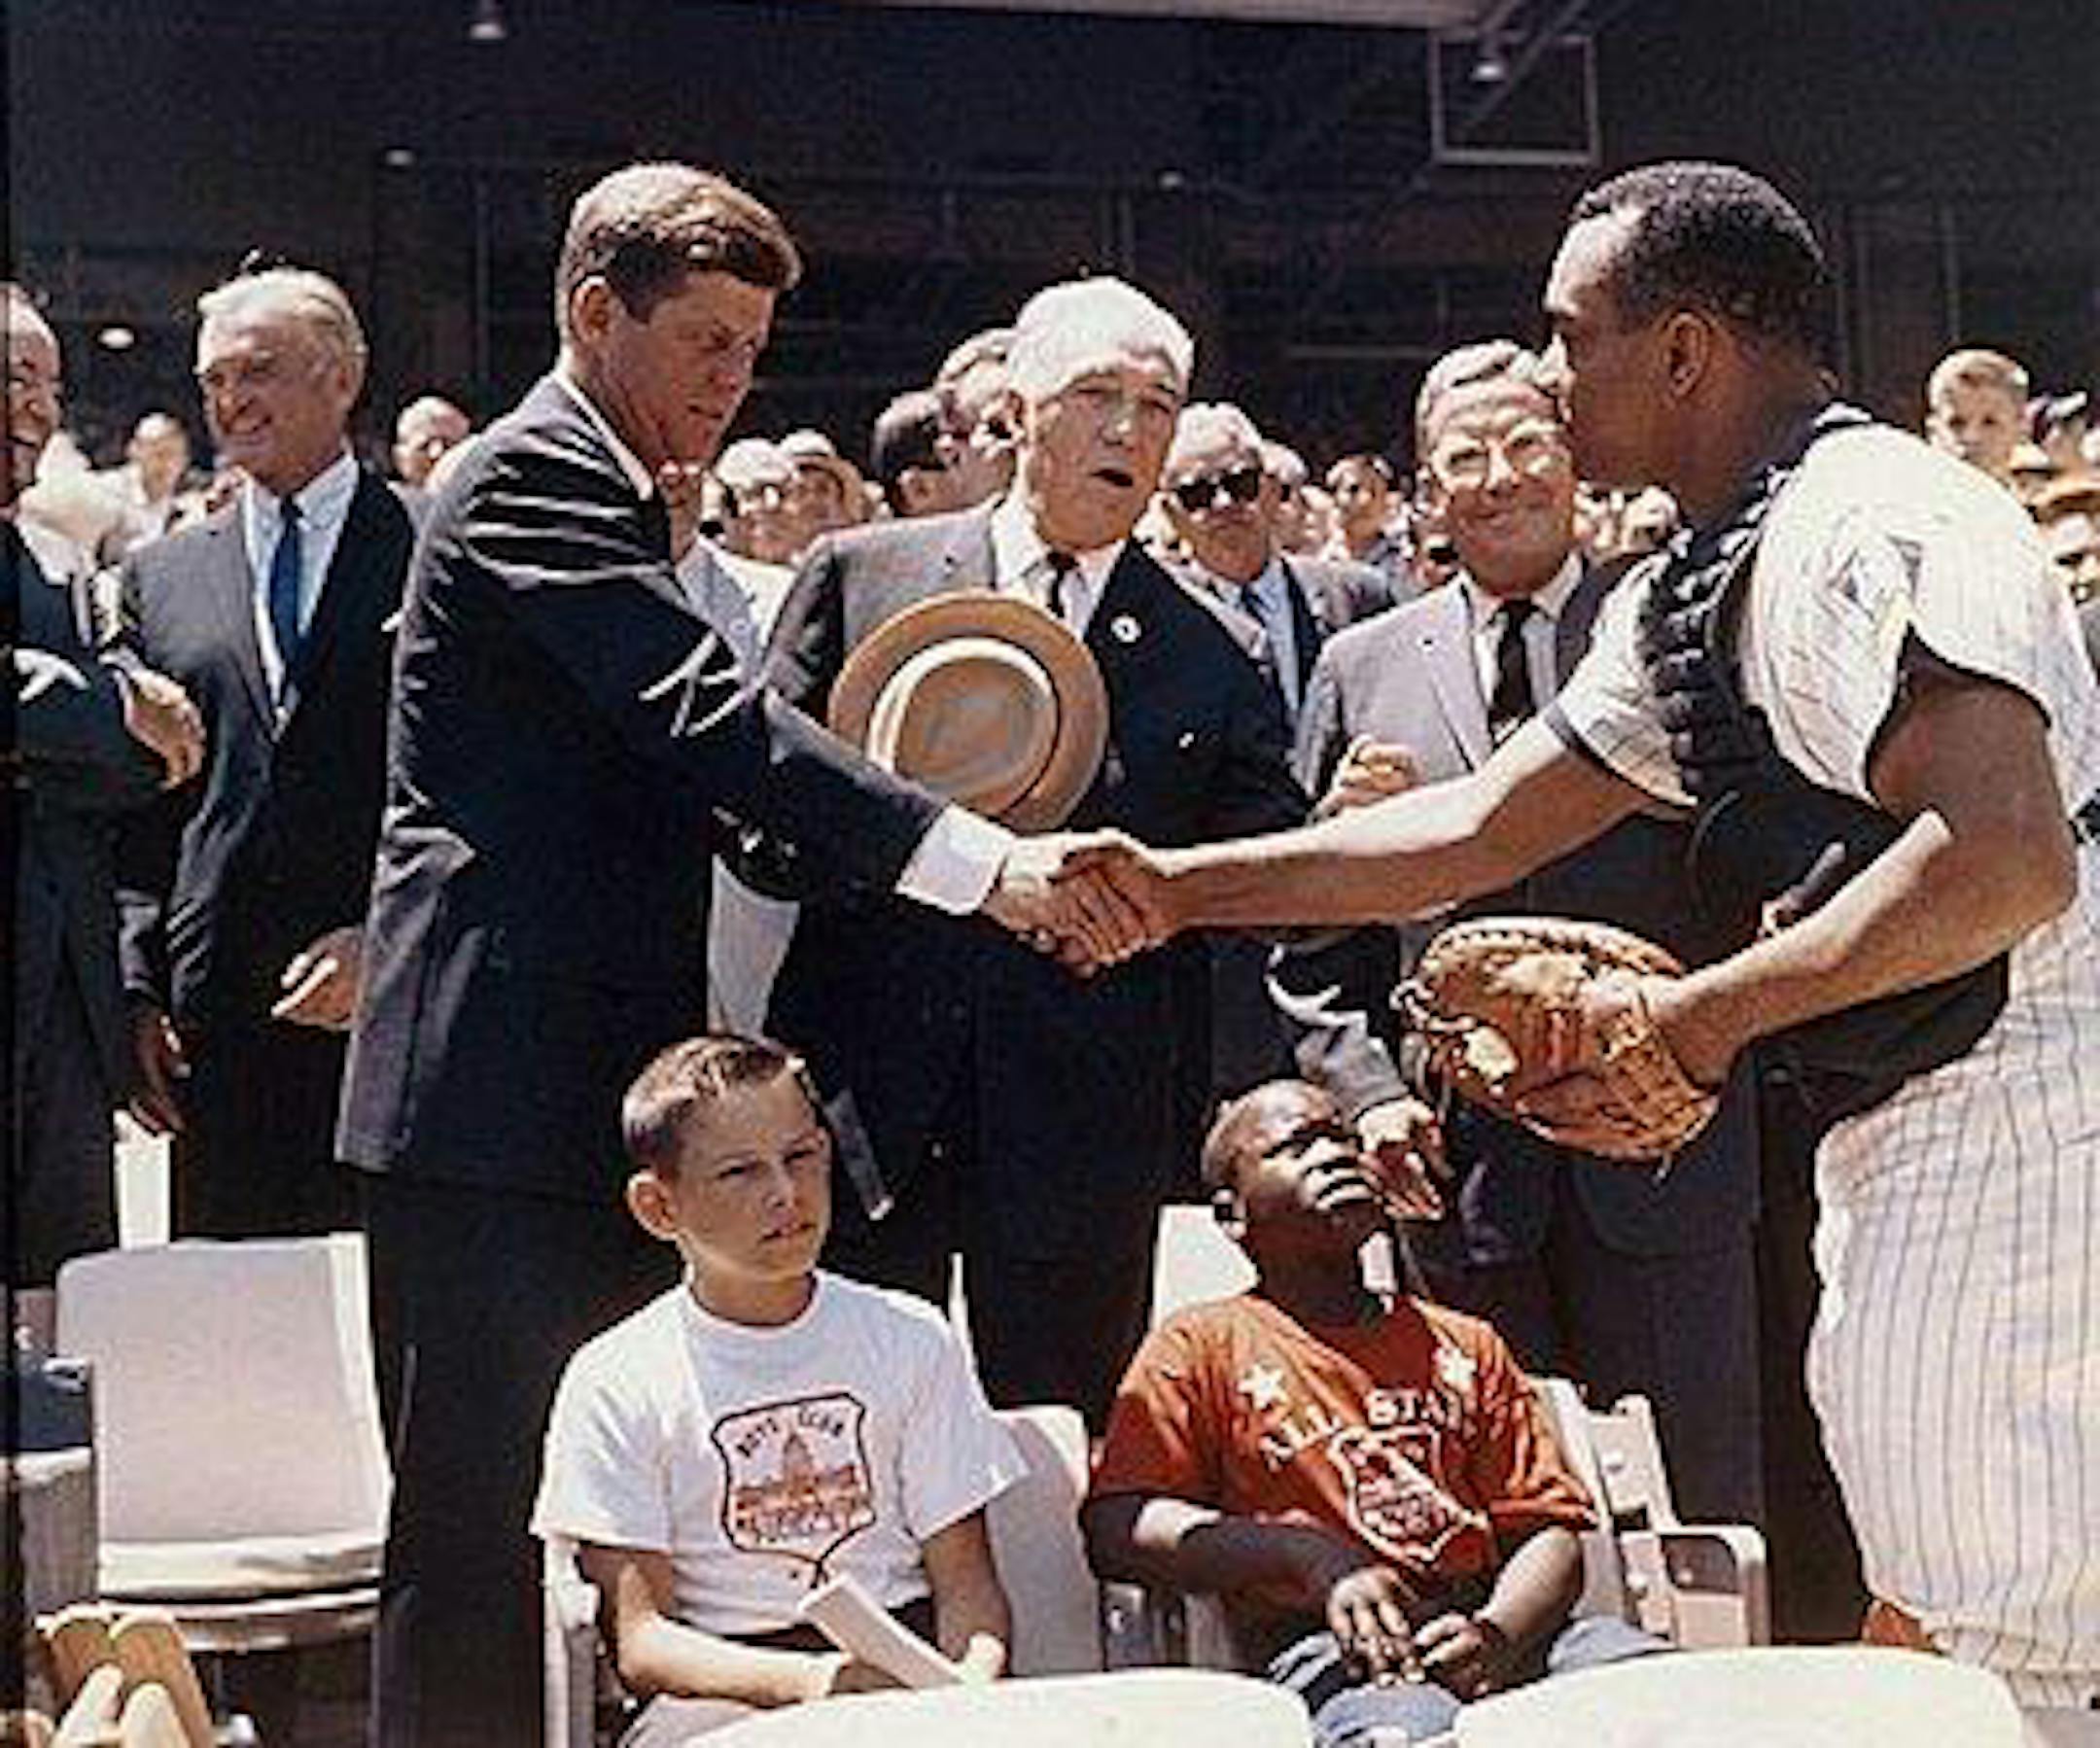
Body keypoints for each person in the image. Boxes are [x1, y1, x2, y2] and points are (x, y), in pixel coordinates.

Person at [1063, 159, 2100, 1717]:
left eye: (1574, 332)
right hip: (1911, 1117)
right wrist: (1180, 882)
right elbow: (1482, 825)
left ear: (1684, 351)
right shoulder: (1707, 566)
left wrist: (1694, 1020)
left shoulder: (1871, 520)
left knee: (1999, 1622)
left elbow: (2004, 855)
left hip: (2028, 1108)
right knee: (1962, 1584)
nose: (1550, 371)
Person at [333, 161, 1103, 1748]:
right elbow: (707, 724)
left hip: (586, 1102)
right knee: (477, 1537)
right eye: (703, 339)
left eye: (754, 346)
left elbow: (691, 769)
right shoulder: (532, 474)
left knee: (628, 1539)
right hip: (488, 1101)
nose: (732, 378)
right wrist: (984, 861)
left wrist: (842, 817)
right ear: (592, 312)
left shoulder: (616, 492)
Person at [763, 275, 1306, 1430]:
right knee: (840, 1435)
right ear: (1014, 409)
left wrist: (1164, 897)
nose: (1128, 430)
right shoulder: (862, 578)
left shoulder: (1216, 649)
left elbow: (1261, 878)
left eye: (1158, 406)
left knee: (1064, 1459)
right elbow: (761, 830)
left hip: (1082, 1134)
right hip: (868, 1109)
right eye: (1096, 394)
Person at [1272, 339, 1763, 1525]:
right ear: (1425, 489)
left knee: (1693, 1495)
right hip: (1457, 1161)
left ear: (1575, 462)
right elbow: (1307, 940)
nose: (1500, 477)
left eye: (1527, 444)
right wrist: (1372, 1091)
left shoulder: (1675, 615)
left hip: (1663, 1144)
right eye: (1465, 457)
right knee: (1497, 1492)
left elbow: (1763, 853)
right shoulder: (1360, 664)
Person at [1083, 1079, 1663, 1748]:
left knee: (1647, 1691)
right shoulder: (1200, 1345)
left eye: (1343, 1139)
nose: (1335, 1155)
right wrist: (1309, 1556)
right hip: (1333, 1649)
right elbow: (1119, 1522)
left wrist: (1497, 1633)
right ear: (1232, 1215)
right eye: (1297, 1146)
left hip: (1494, 1628)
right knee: (1411, 1733)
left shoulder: (1464, 1341)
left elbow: (1548, 1532)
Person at [533, 1032, 1020, 1746]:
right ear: (658, 1208)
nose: (786, 1195)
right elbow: (642, 1643)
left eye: (800, 1157)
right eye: (740, 1173)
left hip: (909, 1671)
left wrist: (972, 1690)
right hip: (726, 1689)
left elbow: (968, 1588)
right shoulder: (615, 1378)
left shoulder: (911, 1336)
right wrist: (816, 1686)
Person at [111, 263, 414, 1239]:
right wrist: (134, 985)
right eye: (212, 382)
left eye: (258, 372)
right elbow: (144, 811)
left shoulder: (434, 544)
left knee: (386, 1344)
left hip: (391, 1012)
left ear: (342, 378)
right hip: (219, 1031)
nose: (231, 403)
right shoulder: (160, 578)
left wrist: (392, 937)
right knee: (239, 1348)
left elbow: (481, 780)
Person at [7, 282, 201, 1316]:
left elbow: (154, 761)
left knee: (64, 1313)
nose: (34, 406)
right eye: (12, 377)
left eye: (49, 382)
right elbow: (126, 713)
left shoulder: (64, 562)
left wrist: (69, 731)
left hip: (68, 1022)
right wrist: (104, 705)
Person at [1924, 346, 2029, 488]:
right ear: (1932, 430)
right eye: (1956, 424)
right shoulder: (1901, 504)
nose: (1971, 437)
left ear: (2022, 429)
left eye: (1989, 423)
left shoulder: (2034, 508)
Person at [390, 394, 472, 491]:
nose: (436, 453)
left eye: (449, 445)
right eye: (424, 446)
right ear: (399, 458)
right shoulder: (384, 500)